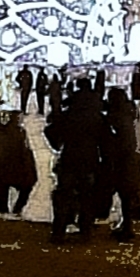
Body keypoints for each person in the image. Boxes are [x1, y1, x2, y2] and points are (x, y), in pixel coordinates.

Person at [45, 78, 106, 242]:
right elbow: (105, 139)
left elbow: (51, 130)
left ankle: (59, 230)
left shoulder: (69, 113)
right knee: (87, 196)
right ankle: (85, 230)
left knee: (64, 195)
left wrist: (58, 145)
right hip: (90, 159)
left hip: (69, 158)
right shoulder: (96, 116)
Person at [102, 88, 140, 241]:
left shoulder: (115, 117)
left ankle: (123, 226)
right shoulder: (131, 114)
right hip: (132, 159)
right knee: (126, 196)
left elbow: (111, 140)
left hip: (119, 160)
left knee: (116, 192)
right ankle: (126, 225)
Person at [0, 111, 38, 215]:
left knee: (2, 188)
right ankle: (17, 210)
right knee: (26, 187)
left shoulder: (0, 132)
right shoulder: (20, 132)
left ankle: (3, 210)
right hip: (17, 167)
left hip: (2, 168)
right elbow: (25, 152)